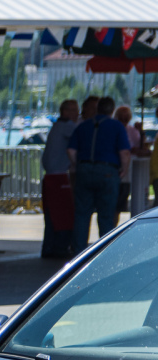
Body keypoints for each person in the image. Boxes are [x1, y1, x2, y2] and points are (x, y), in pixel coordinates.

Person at [67, 96, 132, 253]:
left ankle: (78, 254)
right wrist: (124, 169)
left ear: (97, 108)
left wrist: (79, 165)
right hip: (108, 172)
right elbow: (124, 152)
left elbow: (71, 150)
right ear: (112, 110)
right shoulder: (116, 127)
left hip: (84, 170)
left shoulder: (83, 126)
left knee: (82, 214)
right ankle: (105, 254)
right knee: (106, 216)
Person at [40, 99, 78, 258]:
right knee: (63, 215)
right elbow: (80, 139)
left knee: (51, 216)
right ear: (66, 112)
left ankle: (49, 247)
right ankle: (60, 247)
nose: (78, 114)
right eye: (75, 110)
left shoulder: (56, 126)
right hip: (59, 177)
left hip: (49, 177)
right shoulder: (68, 127)